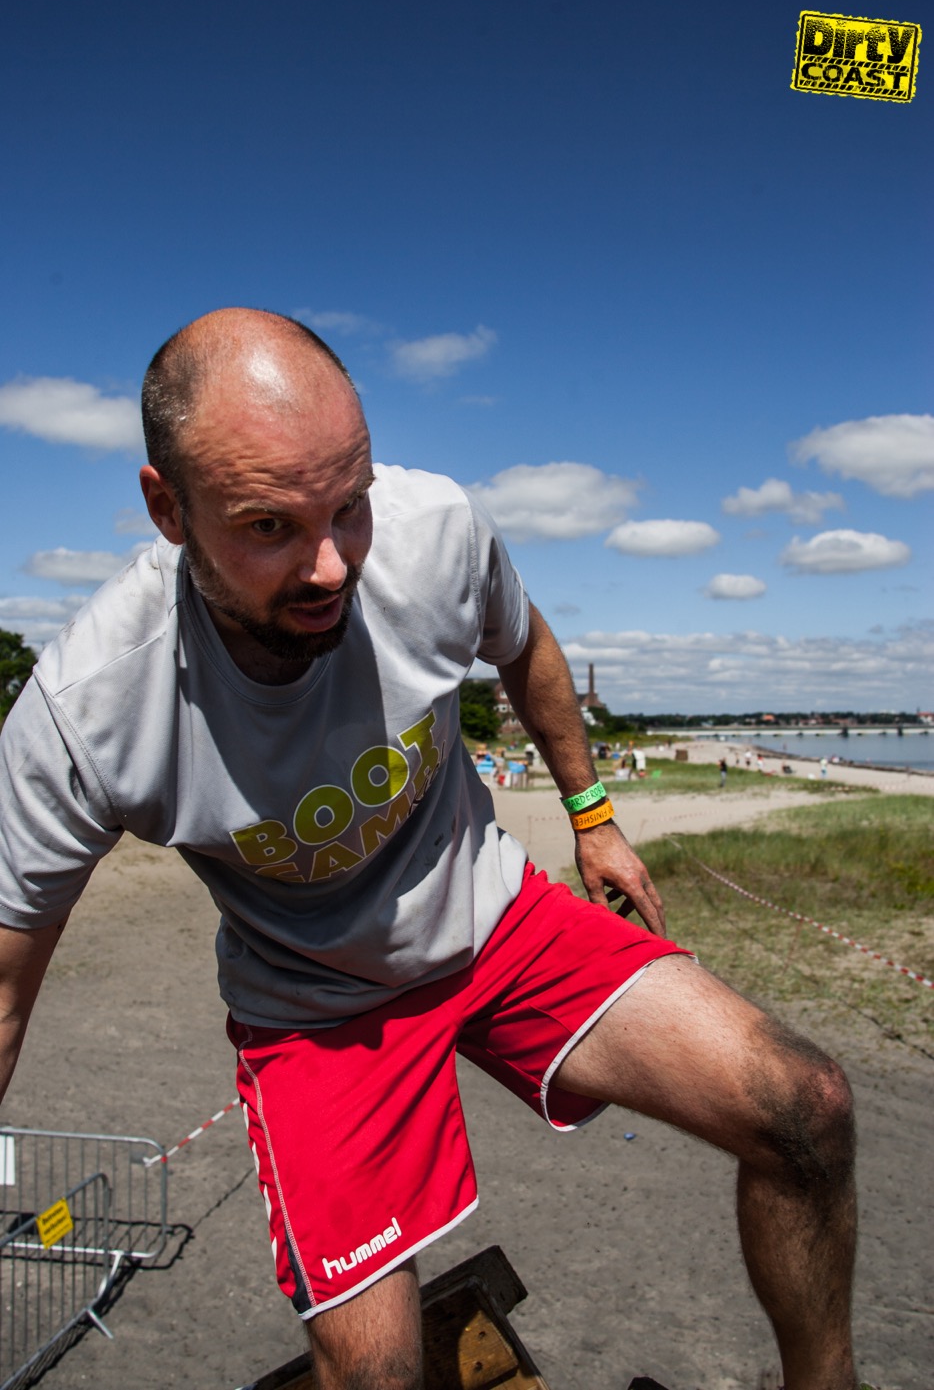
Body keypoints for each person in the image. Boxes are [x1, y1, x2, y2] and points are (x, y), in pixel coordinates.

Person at [0, 309, 858, 1390]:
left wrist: (592, 814)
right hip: (314, 1005)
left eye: (349, 506)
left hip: (491, 916)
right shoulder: (89, 712)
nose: (329, 566)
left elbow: (525, 645)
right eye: (268, 526)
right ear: (168, 508)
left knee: (805, 1107)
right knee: (376, 1369)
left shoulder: (435, 531)